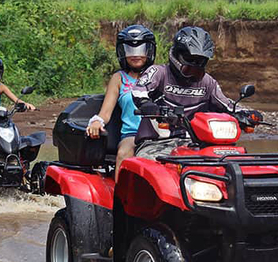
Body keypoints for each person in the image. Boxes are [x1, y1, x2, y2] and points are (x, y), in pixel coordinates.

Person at [131, 26, 263, 159]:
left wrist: (247, 115)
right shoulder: (159, 73)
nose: (195, 65)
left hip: (195, 144)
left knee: (235, 162)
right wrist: (146, 104)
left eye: (200, 61)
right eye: (190, 59)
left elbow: (227, 105)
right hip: (156, 144)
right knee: (151, 166)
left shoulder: (208, 82)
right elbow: (139, 90)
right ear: (177, 55)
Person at [85, 24, 156, 180]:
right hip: (133, 135)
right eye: (130, 51)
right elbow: (105, 112)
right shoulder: (119, 78)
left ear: (149, 51)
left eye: (140, 50)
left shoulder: (160, 75)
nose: (135, 55)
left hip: (159, 134)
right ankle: (120, 201)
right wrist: (96, 122)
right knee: (124, 153)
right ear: (122, 52)